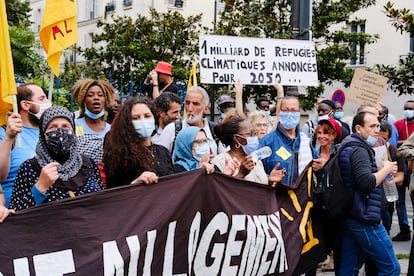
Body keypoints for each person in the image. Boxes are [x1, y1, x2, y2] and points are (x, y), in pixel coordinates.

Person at [337, 111, 400, 275]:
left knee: (349, 269)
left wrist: (378, 170)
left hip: (353, 213)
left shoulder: (351, 145)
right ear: (358, 128)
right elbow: (366, 183)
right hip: (364, 216)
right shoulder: (359, 150)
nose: (376, 130)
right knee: (391, 268)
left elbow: (358, 177)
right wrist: (385, 169)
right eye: (372, 126)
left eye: (378, 126)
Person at [9, 106, 103, 211]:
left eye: (66, 127)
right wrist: (40, 187)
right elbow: (16, 215)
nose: (60, 132)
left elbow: (102, 203)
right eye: (52, 127)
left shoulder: (88, 163)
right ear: (43, 134)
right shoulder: (29, 168)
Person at [103, 97, 174, 188]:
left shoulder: (163, 151)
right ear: (128, 123)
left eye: (147, 116)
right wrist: (135, 184)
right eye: (136, 118)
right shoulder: (119, 155)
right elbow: (113, 194)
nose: (143, 121)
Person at [0, 83, 51, 208]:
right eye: (42, 99)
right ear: (26, 105)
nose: (48, 102)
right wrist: (8, 138)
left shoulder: (49, 131)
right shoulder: (4, 133)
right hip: (16, 212)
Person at [211, 110, 285, 185]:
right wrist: (241, 175)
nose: (254, 137)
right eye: (250, 134)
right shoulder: (220, 162)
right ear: (237, 138)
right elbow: (221, 192)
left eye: (255, 133)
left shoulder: (256, 160)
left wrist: (270, 181)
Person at [259, 96, 319, 186]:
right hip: (276, 198)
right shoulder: (266, 142)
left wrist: (319, 168)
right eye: (285, 110)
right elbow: (254, 174)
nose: (289, 114)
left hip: (302, 198)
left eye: (293, 110)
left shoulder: (305, 141)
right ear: (279, 112)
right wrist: (268, 179)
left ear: (299, 112)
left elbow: (315, 167)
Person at [156, 86, 224, 155]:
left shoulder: (216, 131)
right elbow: (160, 160)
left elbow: (225, 161)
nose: (190, 108)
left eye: (195, 104)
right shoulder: (172, 129)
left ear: (206, 109)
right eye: (187, 103)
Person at [71, 79, 114, 163]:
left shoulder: (112, 130)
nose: (96, 98)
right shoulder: (73, 126)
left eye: (100, 95)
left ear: (105, 100)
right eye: (90, 95)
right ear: (84, 100)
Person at [392, 100, 414, 241]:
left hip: (412, 169)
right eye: (405, 108)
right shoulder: (398, 124)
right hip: (402, 167)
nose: (408, 110)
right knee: (399, 201)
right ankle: (404, 229)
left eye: (410, 108)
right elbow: (398, 147)